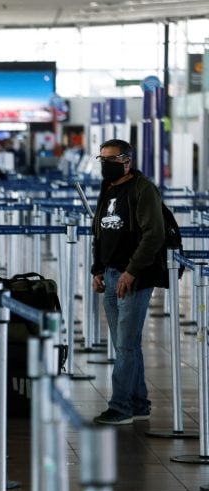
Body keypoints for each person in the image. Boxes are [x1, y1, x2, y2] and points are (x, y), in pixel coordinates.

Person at [91, 139, 164, 425]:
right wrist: (98, 269)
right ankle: (138, 402)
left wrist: (131, 271)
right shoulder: (107, 188)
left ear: (126, 161)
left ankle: (120, 406)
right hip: (110, 274)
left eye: (111, 159)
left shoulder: (143, 189)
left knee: (125, 345)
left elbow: (153, 235)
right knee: (126, 343)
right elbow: (100, 231)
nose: (105, 165)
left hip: (133, 276)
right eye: (102, 159)